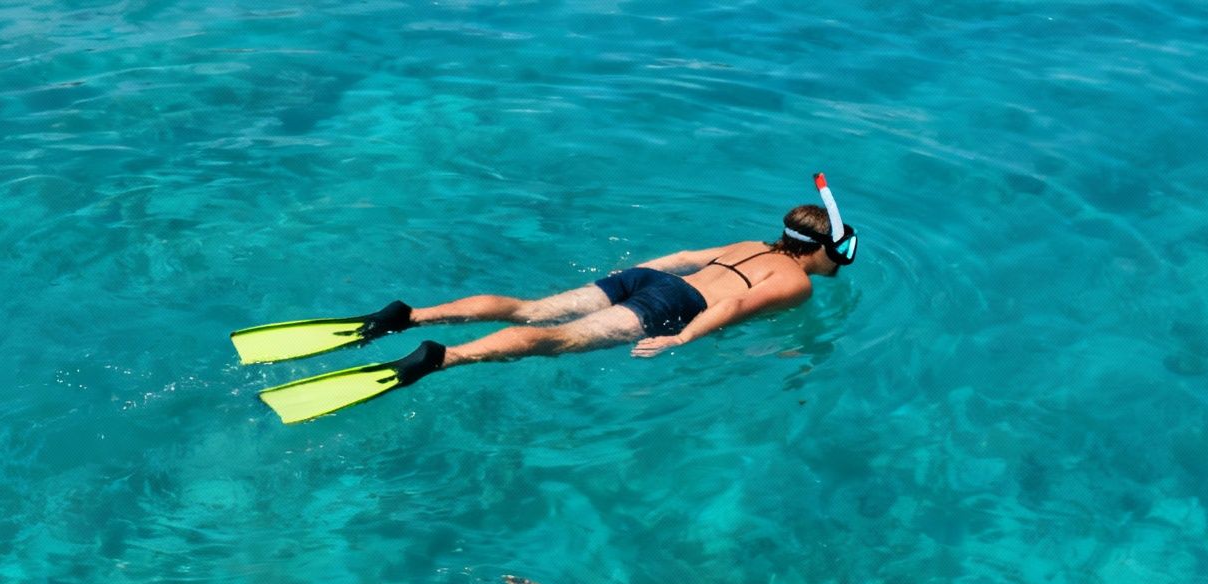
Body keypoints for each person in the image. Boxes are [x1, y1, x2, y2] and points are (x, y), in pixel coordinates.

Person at [235, 175, 859, 424]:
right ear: (820, 248)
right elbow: (730, 310)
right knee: (557, 342)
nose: (842, 262)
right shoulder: (797, 283)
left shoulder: (748, 242)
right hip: (671, 306)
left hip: (642, 280)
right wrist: (681, 338)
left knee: (533, 309)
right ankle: (440, 357)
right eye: (841, 250)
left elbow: (672, 261)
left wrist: (624, 281)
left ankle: (409, 315)